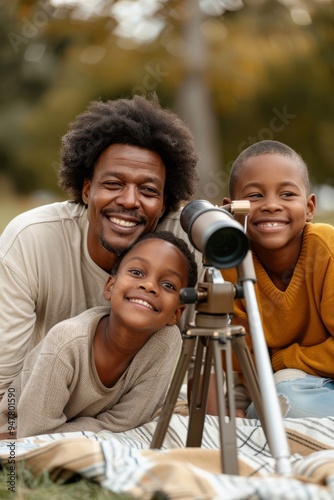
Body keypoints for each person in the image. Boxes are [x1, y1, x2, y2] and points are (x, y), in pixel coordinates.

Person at [0, 93, 202, 400]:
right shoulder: (31, 239)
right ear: (86, 189)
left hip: (140, 409)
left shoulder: (186, 246)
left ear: (163, 204)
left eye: (148, 190)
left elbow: (207, 361)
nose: (130, 201)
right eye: (113, 184)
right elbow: (4, 377)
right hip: (43, 401)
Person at [0, 231, 198, 438]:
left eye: (168, 285)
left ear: (176, 313)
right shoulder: (66, 341)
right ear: (110, 286)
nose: (149, 286)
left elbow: (128, 422)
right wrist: (102, 428)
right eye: (137, 273)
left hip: (67, 432)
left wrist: (100, 428)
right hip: (12, 432)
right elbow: (33, 431)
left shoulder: (166, 342)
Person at [219, 139, 334, 418]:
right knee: (265, 405)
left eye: (286, 194)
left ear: (309, 207)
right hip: (286, 384)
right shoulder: (230, 266)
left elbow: (274, 370)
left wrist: (286, 361)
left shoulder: (326, 248)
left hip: (299, 381)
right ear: (231, 210)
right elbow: (244, 363)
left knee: (283, 399)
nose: (271, 205)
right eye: (255, 196)